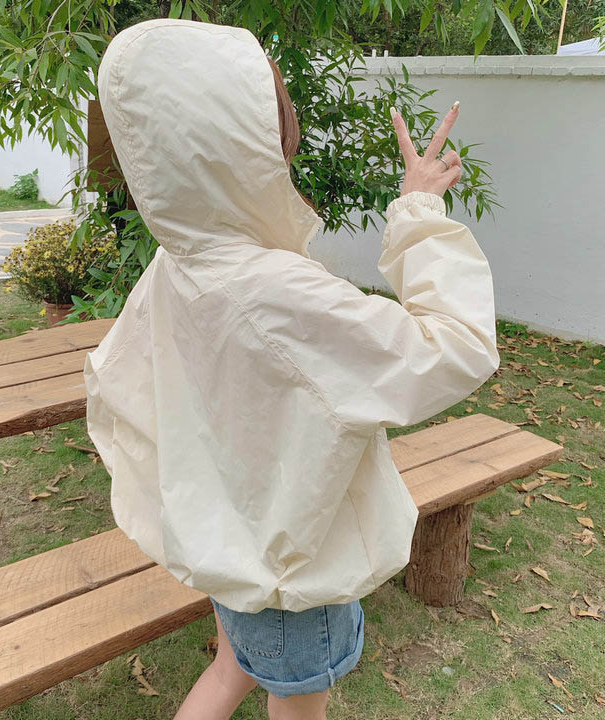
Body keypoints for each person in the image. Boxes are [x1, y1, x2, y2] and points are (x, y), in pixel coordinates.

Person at [84, 18, 499, 720]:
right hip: (291, 571)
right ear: (243, 143)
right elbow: (454, 346)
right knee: (291, 699)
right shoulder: (271, 287)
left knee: (230, 672)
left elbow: (131, 381)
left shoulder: (180, 261)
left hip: (231, 547)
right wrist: (419, 209)